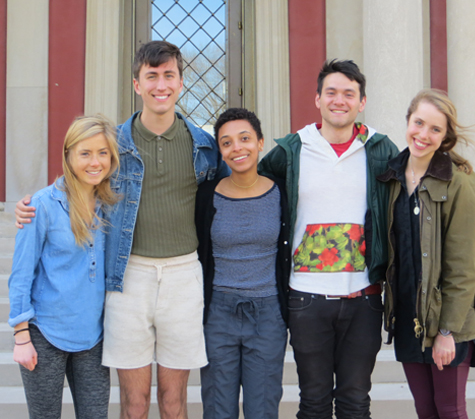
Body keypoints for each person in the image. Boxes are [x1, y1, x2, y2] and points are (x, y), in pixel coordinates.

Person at [14, 40, 230, 419]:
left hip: (183, 275)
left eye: (169, 76)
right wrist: (32, 206)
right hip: (128, 276)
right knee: (132, 403)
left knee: (174, 400)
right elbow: (78, 174)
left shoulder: (205, 147)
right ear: (136, 84)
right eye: (151, 77)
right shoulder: (113, 143)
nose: (160, 85)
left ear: (181, 83)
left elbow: (237, 188)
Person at [258, 59, 400, 419]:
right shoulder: (292, 149)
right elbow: (253, 184)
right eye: (331, 92)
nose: (340, 100)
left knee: (355, 401)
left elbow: (417, 182)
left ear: (362, 102)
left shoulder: (380, 150)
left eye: (349, 94)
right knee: (314, 401)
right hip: (306, 298)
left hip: (364, 297)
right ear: (317, 99)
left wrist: (462, 187)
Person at [377, 88, 475, 419]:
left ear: (445, 136)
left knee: (449, 410)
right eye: (418, 123)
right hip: (409, 317)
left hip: (447, 322)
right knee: (425, 411)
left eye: (435, 129)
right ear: (408, 121)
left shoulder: (458, 181)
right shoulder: (391, 177)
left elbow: (464, 267)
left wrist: (447, 331)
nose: (423, 134)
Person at [8, 115, 120, 419]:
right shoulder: (41, 206)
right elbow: (21, 274)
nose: (95, 161)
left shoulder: (113, 204)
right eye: (85, 153)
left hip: (93, 336)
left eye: (103, 152)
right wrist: (21, 335)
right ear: (68, 155)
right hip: (46, 332)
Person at [195, 108, 291, 419]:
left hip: (268, 314)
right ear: (220, 152)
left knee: (262, 408)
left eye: (245, 138)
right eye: (227, 142)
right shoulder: (206, 196)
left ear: (260, 143)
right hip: (218, 315)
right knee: (217, 409)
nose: (237, 148)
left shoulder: (283, 193)